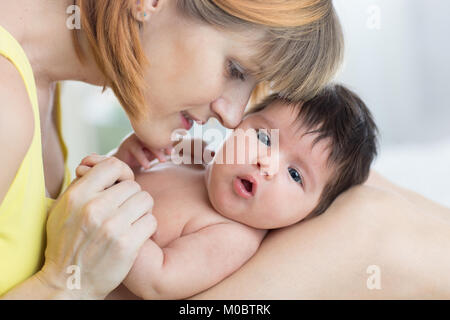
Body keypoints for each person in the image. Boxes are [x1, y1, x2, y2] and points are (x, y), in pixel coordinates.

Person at [0, 0, 342, 298]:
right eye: (235, 70)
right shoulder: (6, 109)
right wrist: (65, 283)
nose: (233, 116)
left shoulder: (39, 83)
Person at [76, 84, 378, 300]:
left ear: (307, 214)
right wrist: (126, 157)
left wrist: (114, 205)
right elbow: (122, 171)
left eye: (295, 174)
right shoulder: (194, 153)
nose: (266, 162)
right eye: (264, 137)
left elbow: (157, 282)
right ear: (239, 124)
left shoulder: (232, 236)